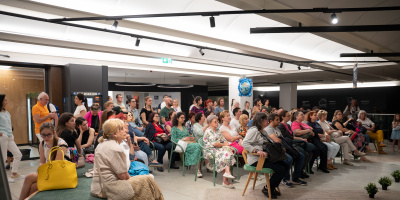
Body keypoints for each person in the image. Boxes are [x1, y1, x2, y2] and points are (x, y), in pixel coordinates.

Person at [90, 119, 164, 199]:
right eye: (122, 129)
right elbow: (123, 176)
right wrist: (135, 179)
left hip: (99, 187)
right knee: (147, 180)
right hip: (110, 187)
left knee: (146, 179)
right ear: (114, 134)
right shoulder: (115, 148)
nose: (125, 130)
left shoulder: (102, 144)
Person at [242, 112, 289, 198]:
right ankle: (268, 188)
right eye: (266, 120)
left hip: (264, 157)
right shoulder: (254, 130)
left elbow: (269, 143)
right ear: (260, 121)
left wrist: (280, 148)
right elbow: (244, 143)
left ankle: (272, 187)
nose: (267, 121)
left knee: (285, 165)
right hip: (256, 160)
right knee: (280, 169)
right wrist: (256, 150)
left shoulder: (262, 131)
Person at [19, 122, 70, 200]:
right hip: (50, 172)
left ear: (54, 133)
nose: (46, 137)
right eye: (43, 135)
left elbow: (56, 167)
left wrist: (42, 174)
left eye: (49, 134)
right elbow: (42, 162)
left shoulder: (61, 145)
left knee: (29, 178)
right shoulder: (42, 143)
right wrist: (41, 171)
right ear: (40, 134)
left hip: (61, 174)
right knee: (33, 187)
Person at [265, 113, 307, 186]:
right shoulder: (268, 129)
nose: (279, 121)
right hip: (275, 150)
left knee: (301, 155)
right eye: (277, 120)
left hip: (282, 147)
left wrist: (288, 146)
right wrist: (281, 140)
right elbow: (276, 140)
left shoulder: (277, 128)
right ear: (271, 121)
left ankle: (295, 178)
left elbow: (281, 140)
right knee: (288, 158)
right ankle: (285, 179)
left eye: (279, 119)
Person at [203, 115, 236, 189]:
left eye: (217, 121)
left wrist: (227, 145)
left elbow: (223, 140)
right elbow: (215, 144)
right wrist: (224, 145)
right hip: (210, 150)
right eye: (215, 122)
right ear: (210, 123)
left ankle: (227, 175)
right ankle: (226, 179)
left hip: (218, 149)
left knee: (227, 151)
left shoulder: (217, 130)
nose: (217, 123)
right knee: (225, 153)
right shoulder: (208, 131)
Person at [278, 110, 311, 179]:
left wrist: (300, 139)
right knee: (303, 154)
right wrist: (298, 139)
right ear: (283, 117)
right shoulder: (281, 126)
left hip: (291, 143)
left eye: (290, 116)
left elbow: (291, 136)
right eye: (288, 116)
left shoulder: (288, 125)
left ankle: (299, 173)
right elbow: (286, 138)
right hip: (288, 144)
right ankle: (295, 174)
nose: (290, 117)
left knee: (308, 153)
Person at [0, 94, 24, 183]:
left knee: (18, 154)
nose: (6, 102)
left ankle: (14, 173)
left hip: (9, 137)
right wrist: (1, 134)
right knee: (3, 158)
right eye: (5, 100)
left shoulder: (6, 112)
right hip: (3, 137)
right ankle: (3, 178)